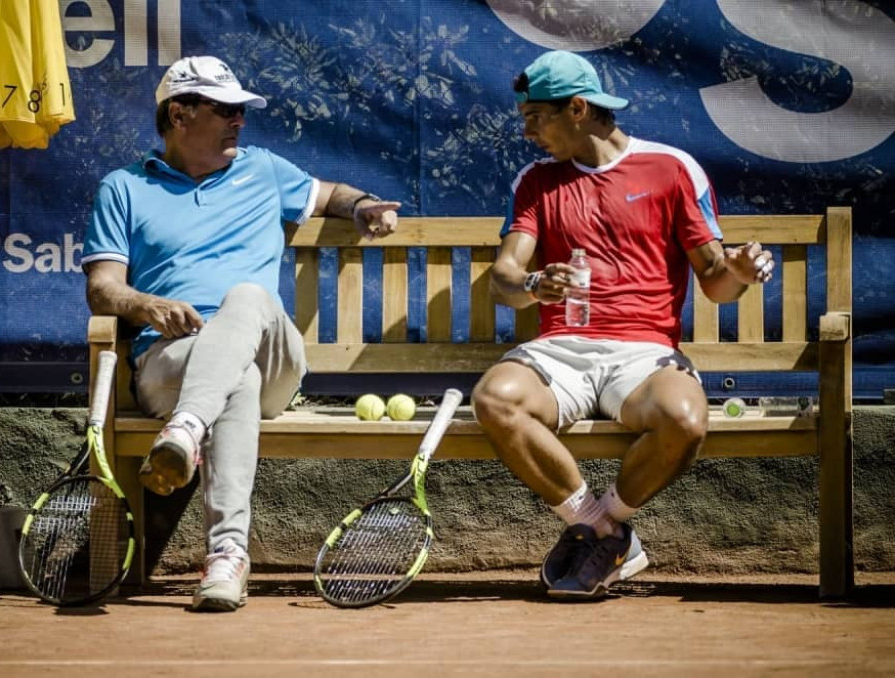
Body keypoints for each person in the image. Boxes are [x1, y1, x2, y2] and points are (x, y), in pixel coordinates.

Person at [82, 56, 400, 612]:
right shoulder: (123, 187)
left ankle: (186, 429)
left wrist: (364, 205)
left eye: (241, 110)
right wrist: (147, 305)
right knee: (238, 381)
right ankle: (228, 556)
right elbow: (102, 288)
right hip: (171, 361)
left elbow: (329, 195)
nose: (239, 121)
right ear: (179, 115)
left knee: (248, 296)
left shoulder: (265, 170)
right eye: (225, 109)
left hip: (271, 357)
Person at [471, 51, 774, 600]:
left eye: (535, 117)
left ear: (578, 109)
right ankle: (605, 533)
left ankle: (601, 527)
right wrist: (535, 283)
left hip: (644, 354)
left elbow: (715, 281)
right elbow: (504, 278)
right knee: (495, 399)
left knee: (684, 420)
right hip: (560, 351)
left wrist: (739, 272)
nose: (527, 131)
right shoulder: (536, 181)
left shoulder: (671, 168)